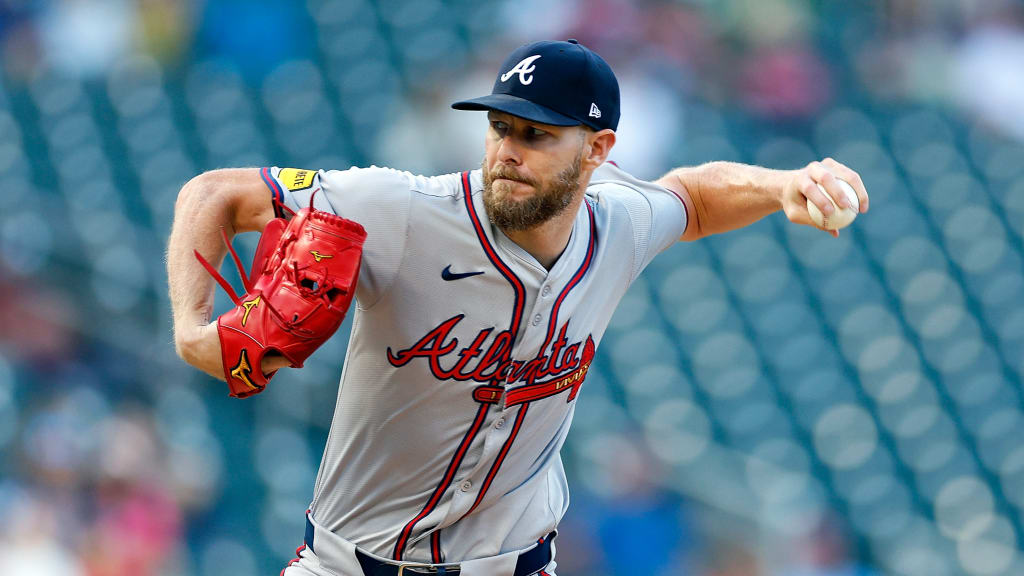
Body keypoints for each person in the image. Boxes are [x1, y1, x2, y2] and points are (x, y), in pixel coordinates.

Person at [167, 39, 869, 576]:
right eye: (501, 127)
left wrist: (782, 184)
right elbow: (213, 195)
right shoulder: (401, 209)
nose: (509, 150)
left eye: (536, 134)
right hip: (348, 563)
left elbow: (692, 195)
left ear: (598, 150)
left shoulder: (618, 221)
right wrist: (193, 330)